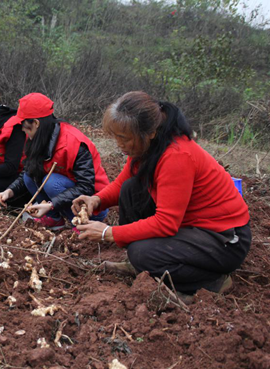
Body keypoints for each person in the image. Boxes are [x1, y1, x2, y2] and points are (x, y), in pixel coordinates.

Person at [72, 91, 251, 299]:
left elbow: (166, 222)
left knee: (142, 253)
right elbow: (123, 183)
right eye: (116, 138)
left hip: (223, 239)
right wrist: (97, 199)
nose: (119, 144)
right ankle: (141, 266)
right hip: (190, 226)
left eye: (124, 138)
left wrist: (109, 233)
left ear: (150, 133)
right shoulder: (148, 147)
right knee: (131, 189)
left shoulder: (177, 156)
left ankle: (210, 283)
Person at [0, 93, 110, 229]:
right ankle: (54, 219)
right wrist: (8, 192)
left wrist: (51, 204)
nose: (22, 129)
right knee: (29, 176)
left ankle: (79, 224)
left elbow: (86, 186)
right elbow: (27, 170)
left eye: (22, 124)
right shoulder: (38, 139)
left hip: (93, 205)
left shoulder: (73, 143)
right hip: (64, 196)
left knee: (51, 182)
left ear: (36, 123)